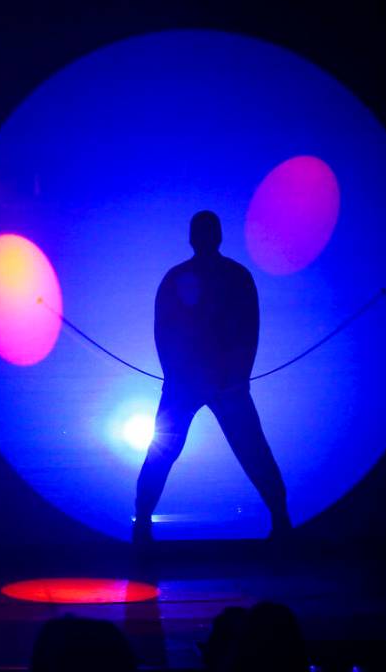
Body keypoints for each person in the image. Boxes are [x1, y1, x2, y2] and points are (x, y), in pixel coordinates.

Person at [134, 211, 290, 542]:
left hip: (212, 384)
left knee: (169, 452)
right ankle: (282, 523)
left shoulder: (209, 277)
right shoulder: (235, 276)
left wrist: (234, 378)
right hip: (205, 383)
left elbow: (246, 331)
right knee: (249, 451)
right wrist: (180, 377)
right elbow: (166, 331)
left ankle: (281, 522)